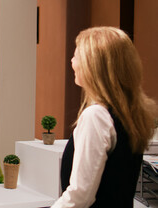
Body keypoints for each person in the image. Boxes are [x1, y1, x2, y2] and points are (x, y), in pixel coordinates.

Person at [52, 26, 157, 207]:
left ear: (94, 65)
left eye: (76, 56)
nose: (71, 61)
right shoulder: (132, 115)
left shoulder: (96, 116)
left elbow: (80, 196)